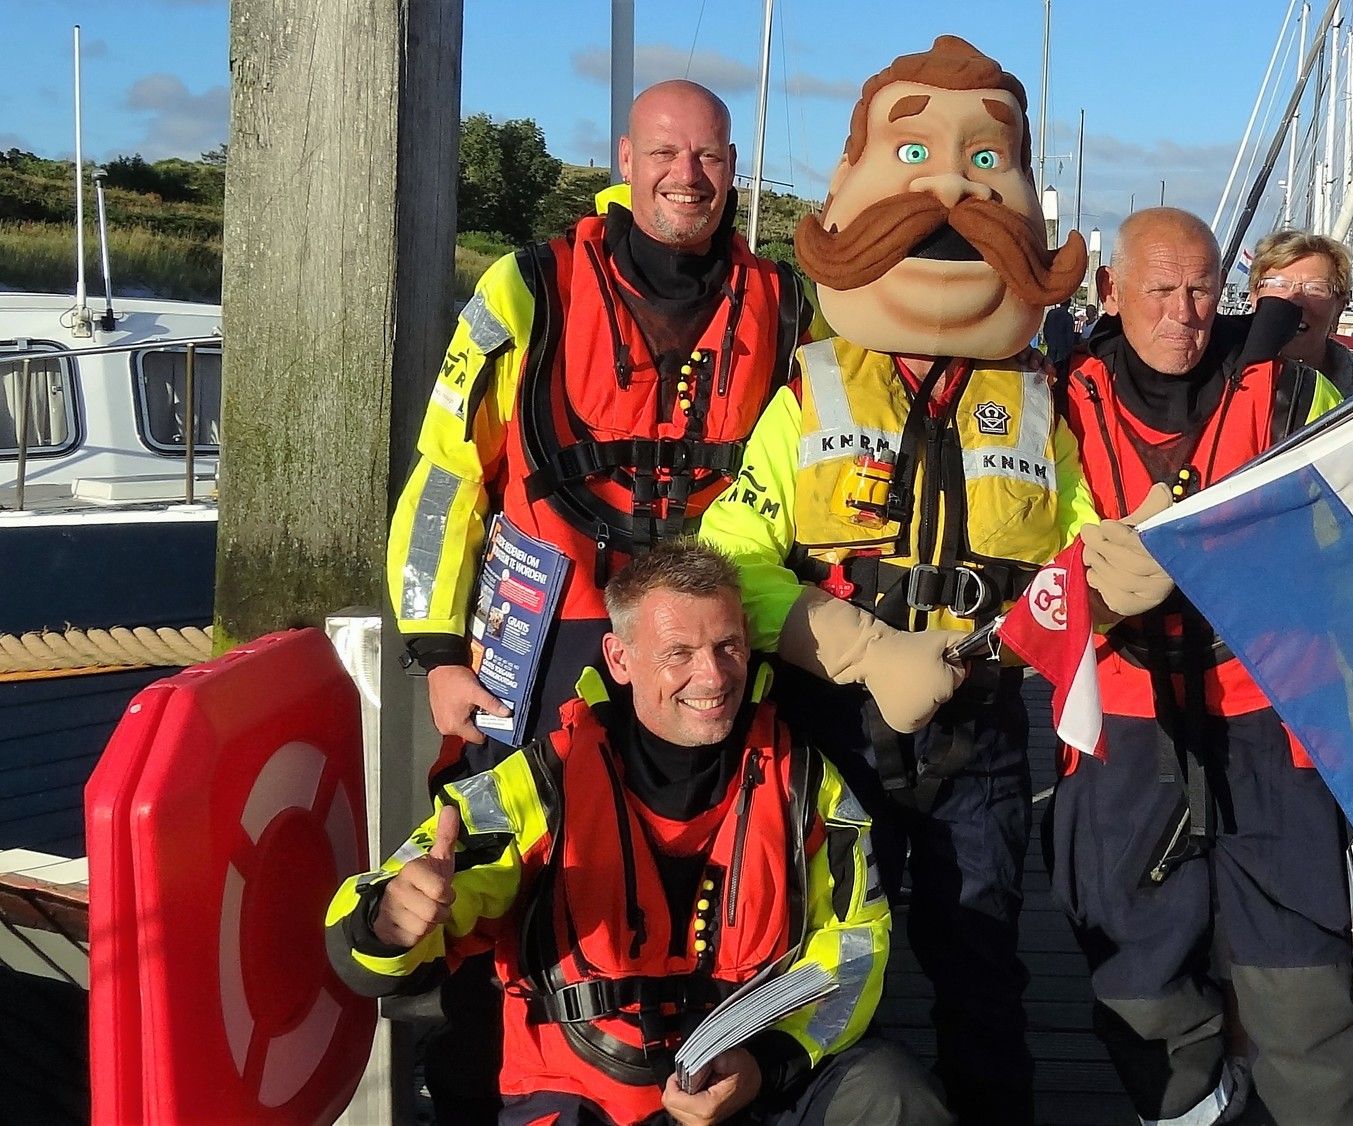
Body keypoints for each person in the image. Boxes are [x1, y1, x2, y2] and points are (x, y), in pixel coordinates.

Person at [698, 36, 1117, 1126]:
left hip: (980, 732)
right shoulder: (807, 395)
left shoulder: (1042, 408)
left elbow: (1084, 549)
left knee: (983, 968)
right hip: (833, 731)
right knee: (826, 967)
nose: (949, 207)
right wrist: (866, 650)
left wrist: (1131, 566)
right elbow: (731, 559)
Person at [385, 79, 806, 1120]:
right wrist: (437, 649)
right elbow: (447, 469)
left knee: (714, 847)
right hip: (552, 627)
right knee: (506, 854)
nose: (686, 175)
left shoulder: (787, 303)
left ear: (733, 169)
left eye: (708, 156)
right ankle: (488, 1084)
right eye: (665, 152)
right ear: (626, 160)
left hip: (705, 637)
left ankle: (701, 1070)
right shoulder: (528, 286)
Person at [327, 540, 951, 1126]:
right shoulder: (540, 784)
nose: (713, 676)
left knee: (892, 1096)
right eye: (679, 653)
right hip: (582, 1096)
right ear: (620, 659)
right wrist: (387, 924)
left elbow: (855, 945)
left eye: (728, 646)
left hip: (751, 1082)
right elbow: (374, 926)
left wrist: (767, 1066)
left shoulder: (809, 786)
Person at [1054, 207, 1353, 1125]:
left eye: (1201, 289)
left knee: (1305, 980)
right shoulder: (1061, 401)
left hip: (1271, 708)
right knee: (1136, 973)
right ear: (1111, 292)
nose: (1184, 313)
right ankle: (1193, 1108)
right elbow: (1041, 541)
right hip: (1123, 712)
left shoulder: (1289, 392)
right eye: (1159, 289)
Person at [1248, 228, 1353, 398]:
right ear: (1254, 297)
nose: (1294, 299)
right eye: (1279, 284)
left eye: (1315, 288)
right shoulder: (1218, 374)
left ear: (1339, 308)